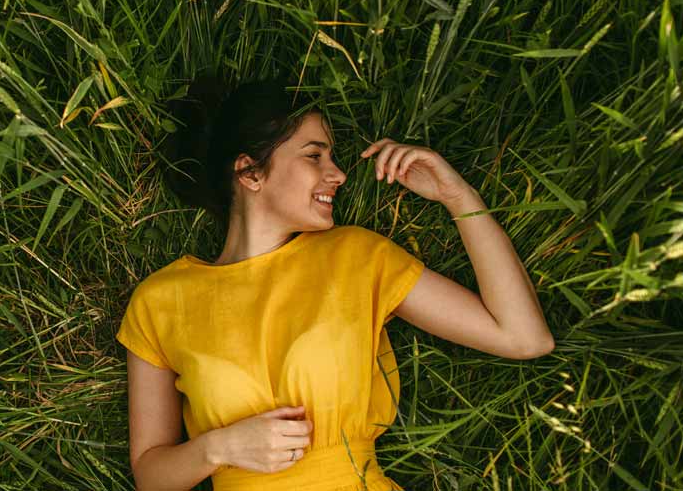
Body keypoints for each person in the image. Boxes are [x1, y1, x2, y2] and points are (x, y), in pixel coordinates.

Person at [116, 75, 554, 490]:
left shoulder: (356, 256)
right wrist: (219, 447)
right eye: (314, 155)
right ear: (251, 172)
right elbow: (150, 476)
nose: (338, 173)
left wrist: (458, 198)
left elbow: (523, 338)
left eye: (332, 156)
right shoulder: (161, 300)